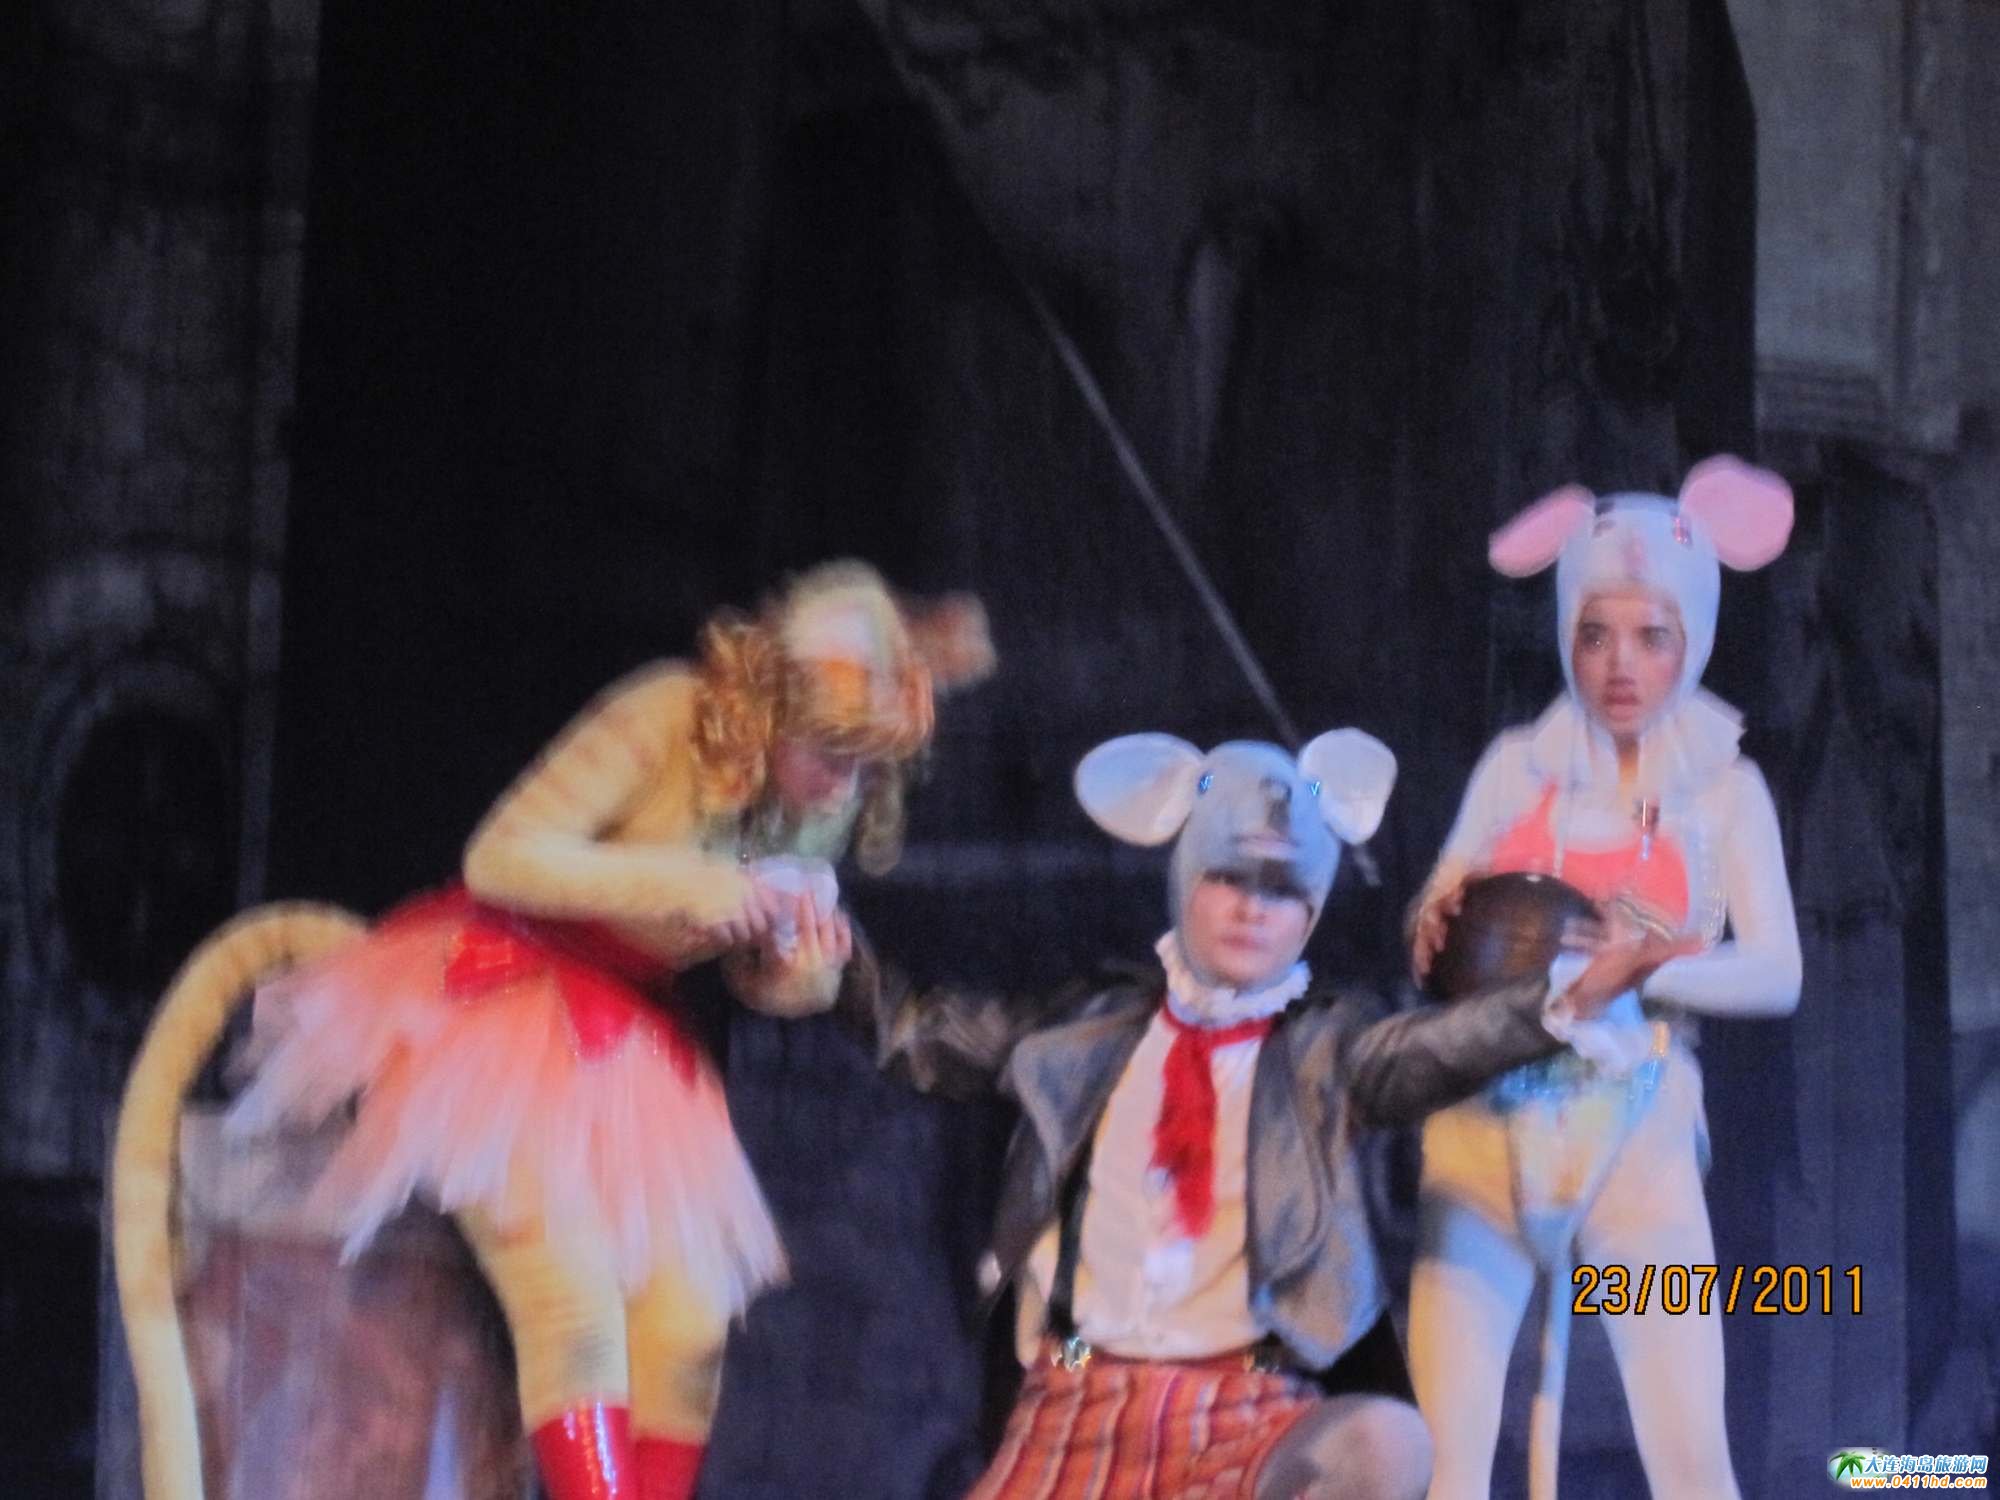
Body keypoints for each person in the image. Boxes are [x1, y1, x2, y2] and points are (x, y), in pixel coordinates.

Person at [112, 560, 993, 1500]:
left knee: (690, 1324)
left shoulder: (817, 805)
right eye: (830, 752)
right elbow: (501, 857)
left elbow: (751, 976)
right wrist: (689, 887)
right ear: (771, 706)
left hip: (630, 1036)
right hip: (507, 995)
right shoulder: (670, 713)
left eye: (864, 765)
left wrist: (799, 971)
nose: (841, 786)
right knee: (574, 1307)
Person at [824, 726, 1688, 1499]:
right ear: (1185, 882)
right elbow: (918, 1034)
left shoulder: (1326, 1053)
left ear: (1309, 914)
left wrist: (1573, 993)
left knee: (1386, 1443)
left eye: (1280, 889)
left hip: (1248, 1404)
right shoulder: (1085, 1032)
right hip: (1078, 1390)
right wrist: (819, 943)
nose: (1249, 907)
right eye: (1228, 877)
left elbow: (1443, 1047)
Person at [1404, 457, 1802, 1499]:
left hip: (1638, 1124)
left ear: (1693, 637)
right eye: (1593, 633)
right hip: (1485, 1124)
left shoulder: (1725, 790)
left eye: (1650, 635)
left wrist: (1651, 962)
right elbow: (1437, 912)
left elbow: (1777, 973)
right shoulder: (1514, 765)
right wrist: (1431, 922)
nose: (1619, 664)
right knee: (1444, 1458)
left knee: (1690, 1458)